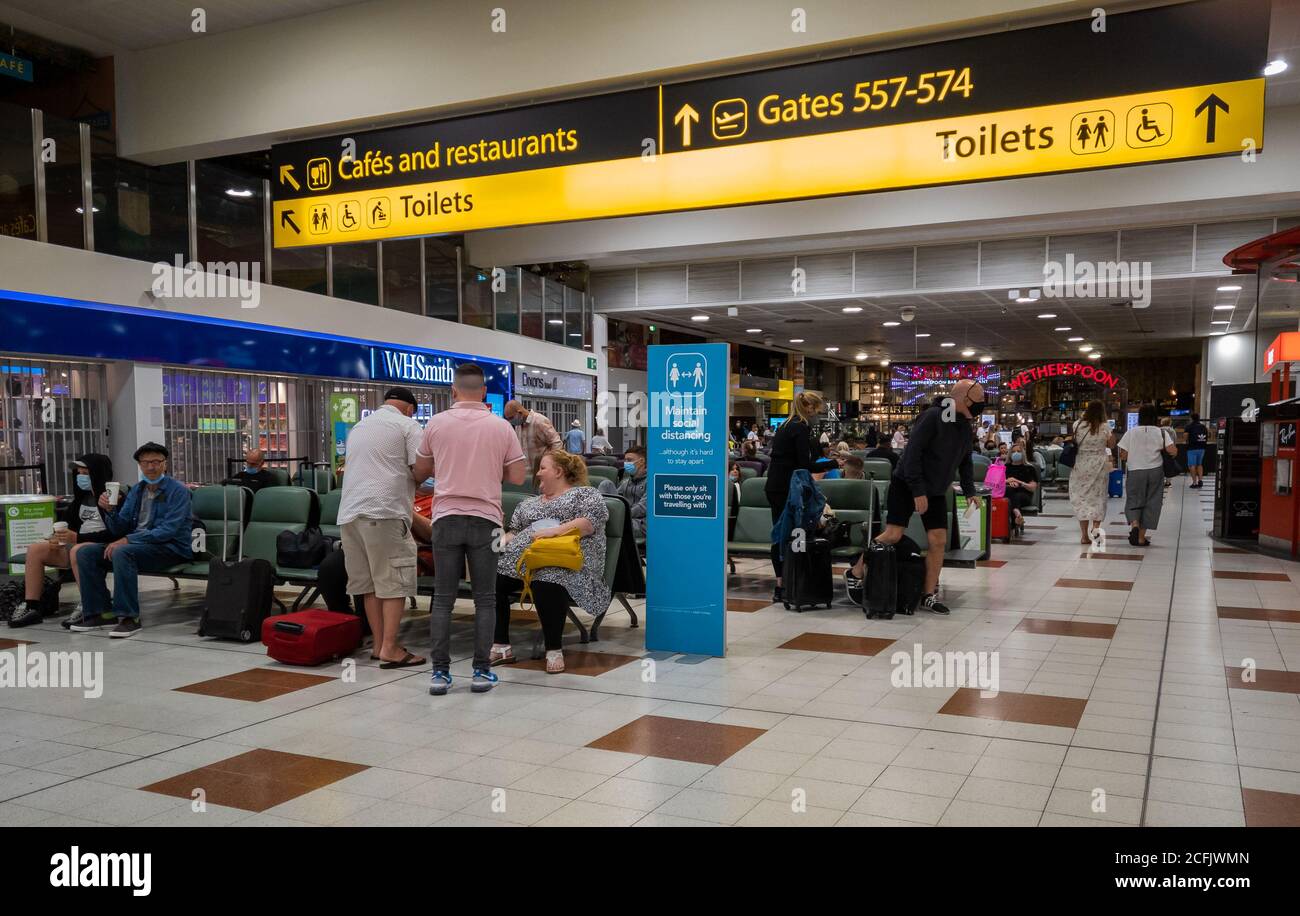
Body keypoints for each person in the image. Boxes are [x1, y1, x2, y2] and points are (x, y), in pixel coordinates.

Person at [412, 364, 527, 693]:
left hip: (445, 518)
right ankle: (480, 671)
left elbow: (420, 472)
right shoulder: (500, 426)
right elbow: (518, 477)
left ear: (454, 390)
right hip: (487, 521)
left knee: (443, 599)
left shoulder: (436, 423)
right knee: (486, 599)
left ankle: (439, 674)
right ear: (483, 390)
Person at [846, 381, 983, 614]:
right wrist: (918, 491)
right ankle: (856, 571)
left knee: (938, 540)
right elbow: (912, 456)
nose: (980, 406)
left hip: (937, 490)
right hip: (907, 484)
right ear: (961, 398)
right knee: (893, 534)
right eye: (977, 401)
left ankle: (927, 594)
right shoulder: (931, 417)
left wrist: (970, 491)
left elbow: (966, 460)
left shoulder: (964, 425)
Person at [493, 451, 609, 673]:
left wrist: (552, 532)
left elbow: (587, 524)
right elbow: (514, 533)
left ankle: (553, 649)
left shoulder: (585, 495)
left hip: (565, 561)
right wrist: (497, 542)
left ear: (558, 471)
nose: (537, 473)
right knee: (493, 579)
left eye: (542, 468)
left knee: (546, 578)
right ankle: (501, 645)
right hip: (523, 561)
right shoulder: (528, 503)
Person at [336, 387, 426, 669]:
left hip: (349, 514)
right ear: (410, 408)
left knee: (369, 585)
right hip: (384, 512)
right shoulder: (408, 426)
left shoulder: (359, 427)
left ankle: (378, 645)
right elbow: (420, 470)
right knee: (393, 583)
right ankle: (390, 648)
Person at [71, 443, 192, 638]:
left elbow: (167, 531)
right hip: (140, 546)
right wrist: (110, 510)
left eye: (155, 462)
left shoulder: (178, 491)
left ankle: (129, 618)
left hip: (171, 548)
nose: (151, 467)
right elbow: (120, 527)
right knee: (85, 552)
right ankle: (101, 612)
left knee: (122, 551)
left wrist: (128, 540)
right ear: (140, 466)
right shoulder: (137, 490)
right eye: (145, 463)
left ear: (165, 464)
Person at [9, 454, 116, 629]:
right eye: (79, 472)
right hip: (78, 545)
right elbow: (69, 525)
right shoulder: (81, 499)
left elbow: (115, 533)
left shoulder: (112, 499)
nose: (81, 477)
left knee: (78, 550)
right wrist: (55, 538)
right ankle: (32, 606)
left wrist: (78, 539)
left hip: (103, 547)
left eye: (86, 473)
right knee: (36, 549)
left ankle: (90, 605)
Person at [765, 391, 827, 603]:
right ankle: (794, 583)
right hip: (787, 487)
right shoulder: (800, 428)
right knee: (793, 533)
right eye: (817, 409)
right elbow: (804, 465)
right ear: (809, 407)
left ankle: (780, 585)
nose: (818, 413)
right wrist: (834, 463)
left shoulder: (783, 426)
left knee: (778, 533)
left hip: (774, 485)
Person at [1118, 405, 1176, 546]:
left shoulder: (1131, 432)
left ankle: (1135, 525)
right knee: (1152, 502)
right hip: (1155, 471)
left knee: (1133, 499)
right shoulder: (1161, 433)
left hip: (1135, 470)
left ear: (1140, 417)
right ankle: (1141, 538)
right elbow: (1173, 451)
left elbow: (1123, 455)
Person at [1069, 400, 1116, 544]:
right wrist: (1111, 433)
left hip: (1080, 464)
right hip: (1099, 464)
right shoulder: (1105, 427)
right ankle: (1096, 532)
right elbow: (1112, 445)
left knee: (1082, 498)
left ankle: (1084, 536)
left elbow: (1074, 441)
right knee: (1099, 498)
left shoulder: (1077, 425)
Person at [505, 399, 562, 473]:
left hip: (542, 473)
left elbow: (557, 443)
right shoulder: (518, 426)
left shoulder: (539, 421)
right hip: (527, 474)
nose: (510, 421)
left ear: (520, 413)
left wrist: (551, 464)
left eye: (511, 418)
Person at [1004, 447, 1039, 536]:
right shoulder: (1005, 467)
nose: (1016, 453)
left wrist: (1019, 482)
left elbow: (1033, 488)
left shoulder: (1029, 468)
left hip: (1024, 495)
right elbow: (996, 482)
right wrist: (1007, 481)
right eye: (1013, 451)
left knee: (1015, 497)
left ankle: (1012, 525)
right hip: (1007, 493)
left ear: (1023, 453)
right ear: (1010, 454)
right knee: (1010, 490)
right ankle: (1017, 514)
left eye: (1018, 451)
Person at [616, 445, 648, 538]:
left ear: (641, 461)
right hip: (624, 518)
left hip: (640, 524)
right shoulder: (626, 482)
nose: (626, 463)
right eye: (625, 460)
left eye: (629, 460)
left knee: (611, 525)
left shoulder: (651, 481)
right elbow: (614, 499)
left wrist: (619, 515)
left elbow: (641, 509)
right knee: (606, 484)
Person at [1185, 413, 1209, 488]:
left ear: (1191, 418)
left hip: (1192, 448)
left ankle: (1194, 483)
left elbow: (1185, 436)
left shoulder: (1189, 426)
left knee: (1192, 465)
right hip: (1202, 447)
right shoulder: (1203, 426)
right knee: (1199, 464)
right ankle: (1200, 480)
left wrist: (1187, 441)